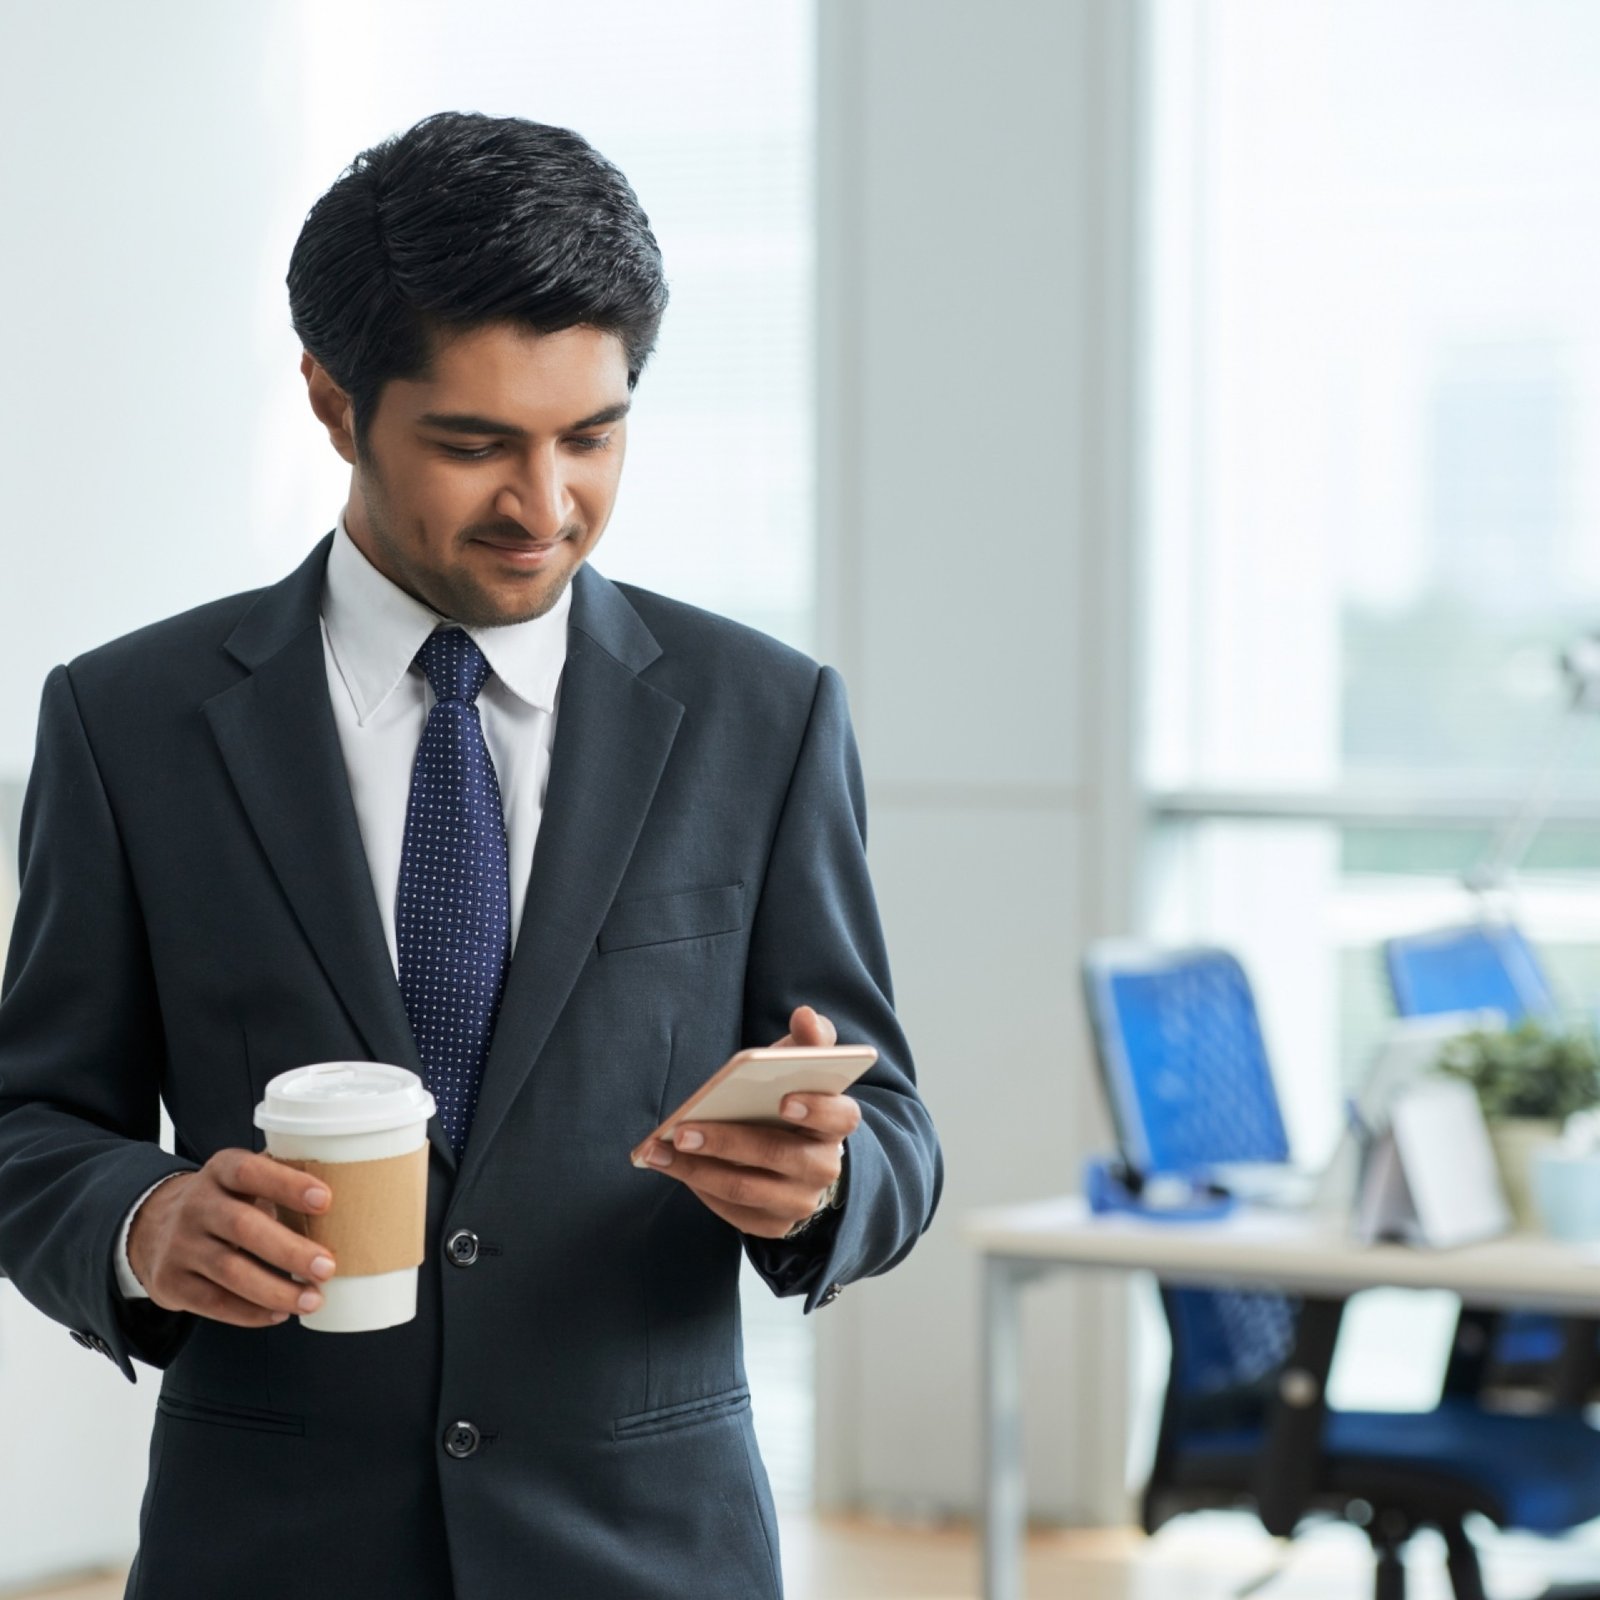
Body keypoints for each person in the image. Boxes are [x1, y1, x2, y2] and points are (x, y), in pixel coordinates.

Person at [0, 112, 940, 1599]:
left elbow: (892, 1125)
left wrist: (825, 1183)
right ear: (331, 399)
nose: (544, 506)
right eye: (474, 443)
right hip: (269, 1553)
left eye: (594, 435)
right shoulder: (130, 723)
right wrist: (139, 1220)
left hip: (649, 1554)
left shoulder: (764, 716)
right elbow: (29, 1122)